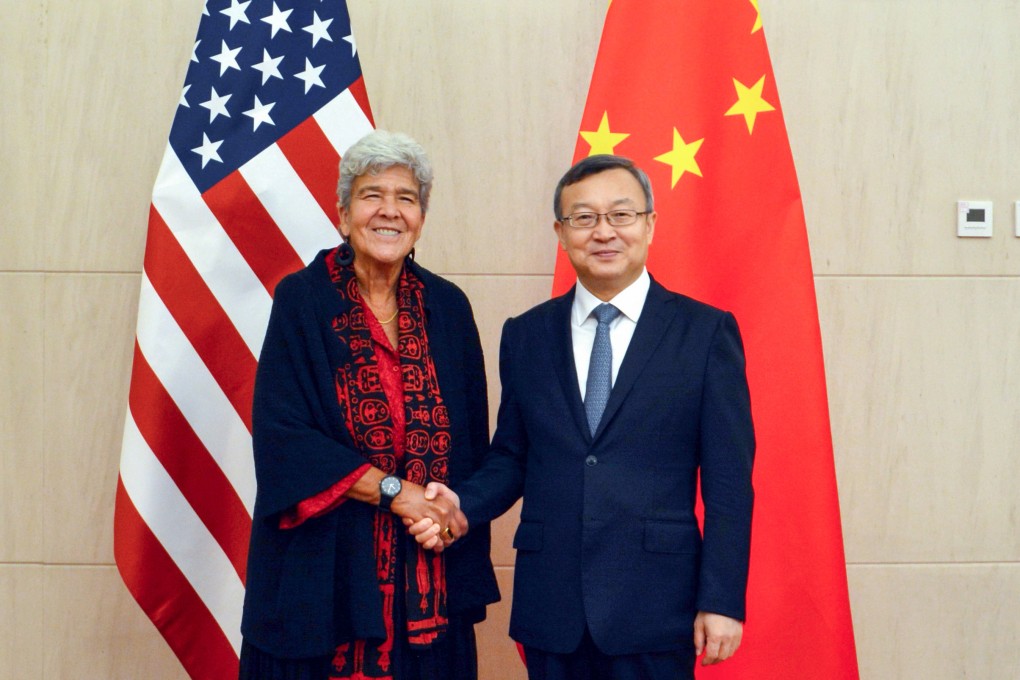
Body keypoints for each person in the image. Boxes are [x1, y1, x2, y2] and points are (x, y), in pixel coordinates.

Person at [411, 154, 755, 679]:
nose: (604, 232)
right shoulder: (526, 335)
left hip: (658, 607)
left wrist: (723, 599)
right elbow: (512, 456)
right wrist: (463, 502)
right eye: (584, 218)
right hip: (553, 606)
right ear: (561, 231)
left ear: (649, 224)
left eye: (621, 215)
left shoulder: (705, 333)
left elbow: (730, 483)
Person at [239, 130, 498, 680]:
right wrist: (397, 494)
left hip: (428, 587)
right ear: (342, 214)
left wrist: (451, 514)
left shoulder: (450, 308)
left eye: (406, 197)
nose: (389, 211)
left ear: (421, 218)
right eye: (371, 195)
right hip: (321, 587)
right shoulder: (301, 300)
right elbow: (284, 438)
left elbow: (473, 445)